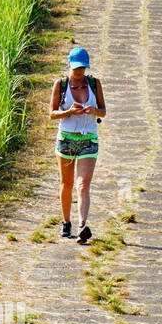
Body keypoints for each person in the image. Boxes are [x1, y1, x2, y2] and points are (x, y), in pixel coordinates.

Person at [49, 46, 106, 242]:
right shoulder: (61, 84)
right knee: (67, 184)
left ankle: (82, 225)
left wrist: (93, 111)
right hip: (66, 139)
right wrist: (69, 112)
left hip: (88, 139)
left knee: (83, 185)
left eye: (82, 68)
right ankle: (66, 222)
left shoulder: (94, 83)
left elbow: (103, 111)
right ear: (69, 66)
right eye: (76, 68)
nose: (79, 72)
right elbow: (52, 114)